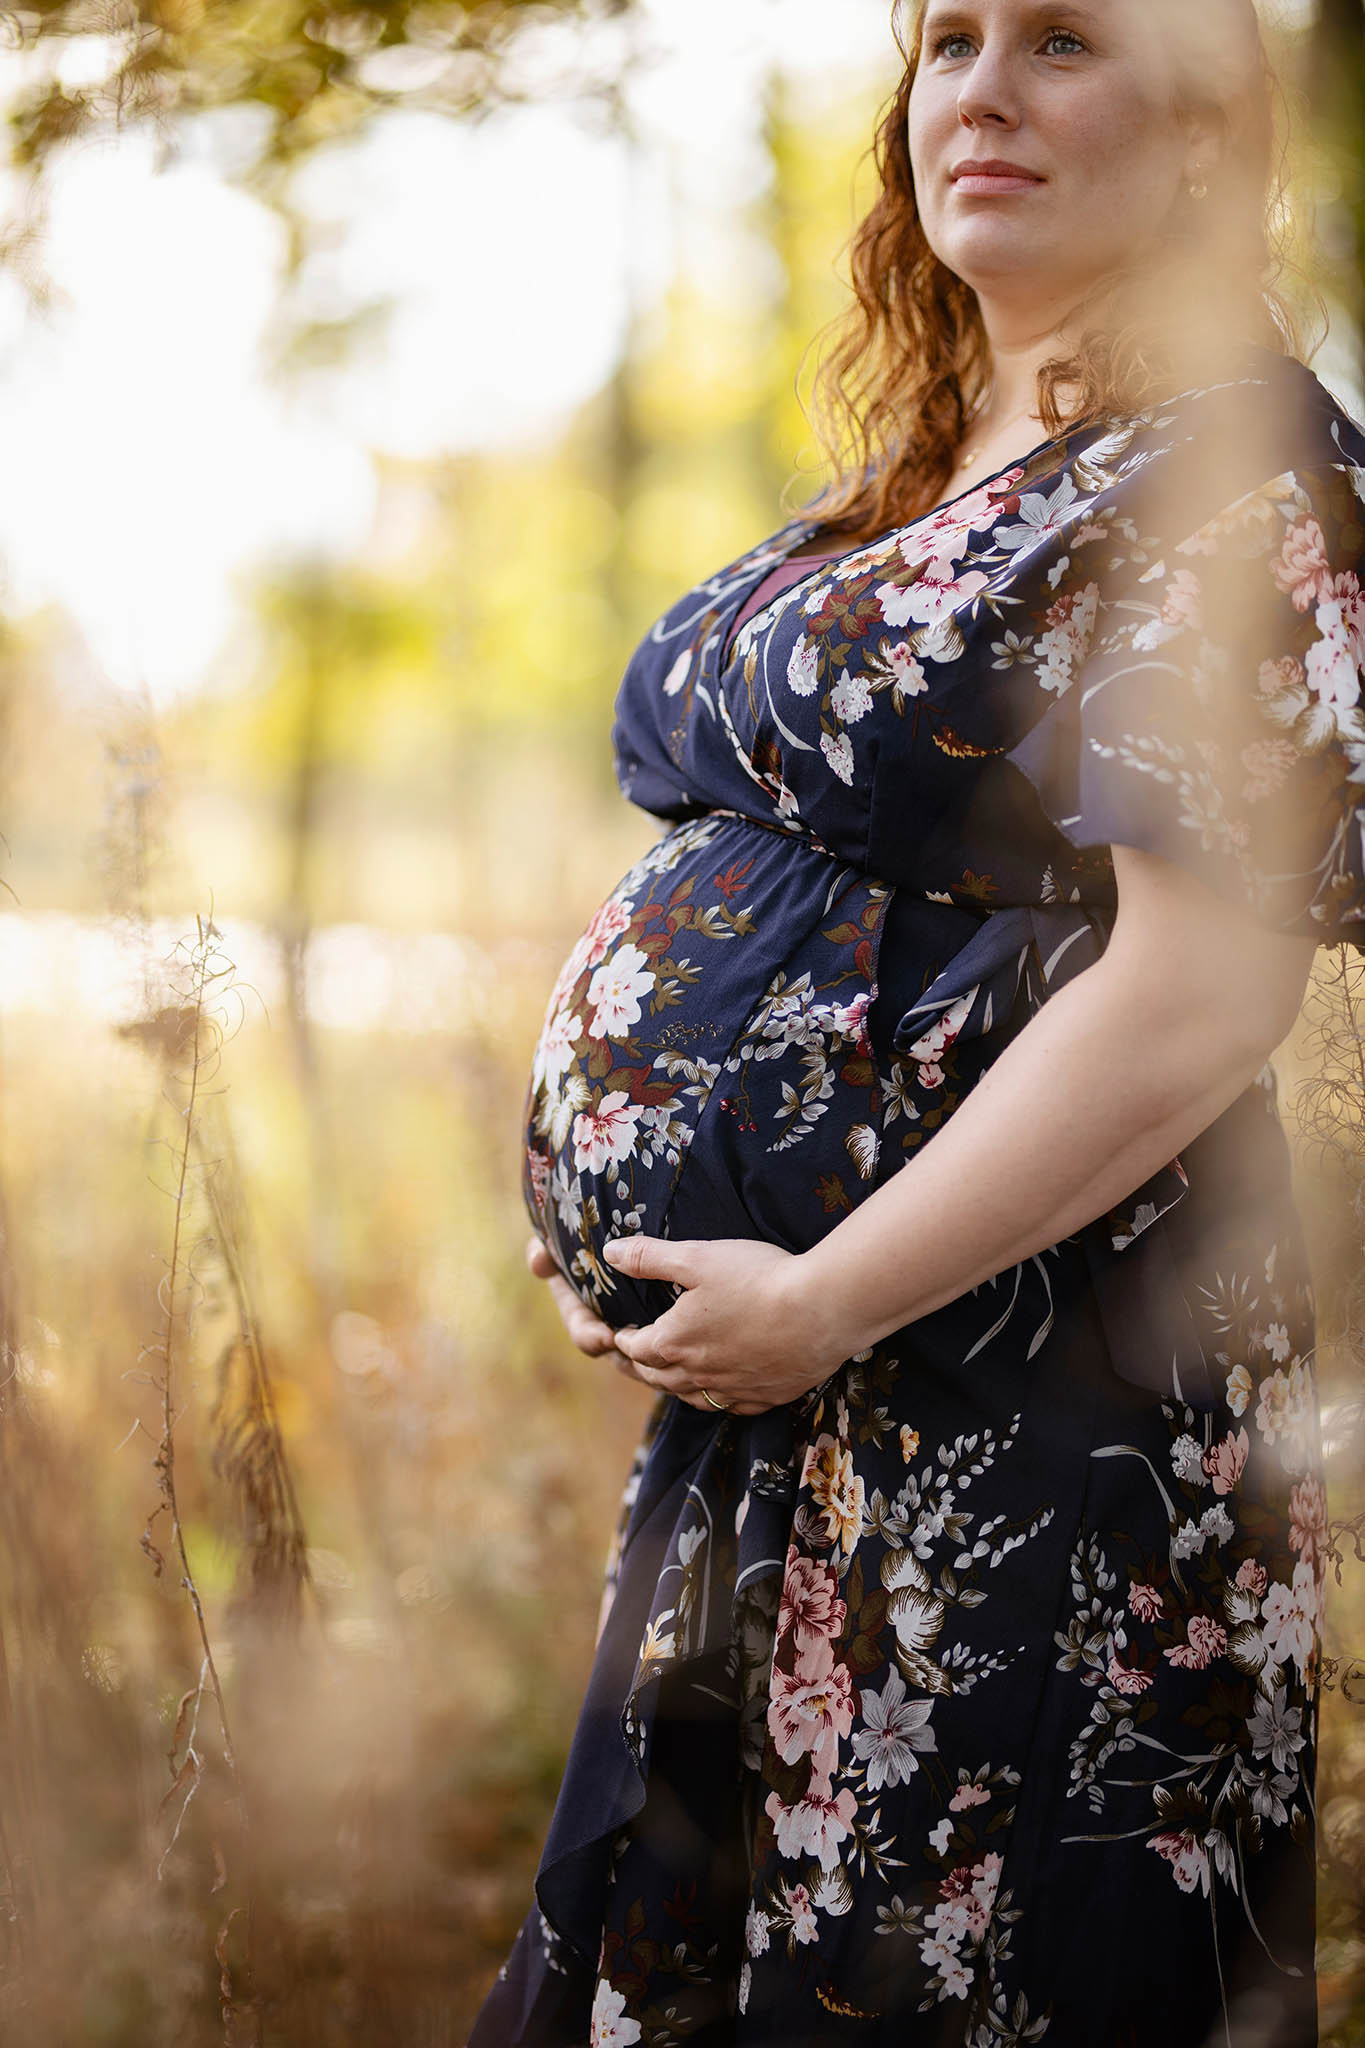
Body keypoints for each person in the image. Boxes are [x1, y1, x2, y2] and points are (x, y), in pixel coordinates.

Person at [470, 1, 1365, 2041]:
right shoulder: (922, 462)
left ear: (1218, 135)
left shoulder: (1237, 474)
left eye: (1062, 38)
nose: (978, 84)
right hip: (812, 1389)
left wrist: (829, 1293)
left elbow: (1205, 980)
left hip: (1027, 1382)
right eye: (946, 35)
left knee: (971, 1963)